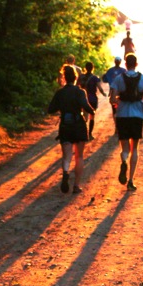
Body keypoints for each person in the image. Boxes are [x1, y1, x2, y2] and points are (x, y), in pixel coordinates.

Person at [109, 52, 143, 192]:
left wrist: (119, 100)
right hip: (137, 116)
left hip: (122, 116)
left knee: (124, 147)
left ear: (125, 64)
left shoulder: (118, 79)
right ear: (136, 64)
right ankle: (131, 181)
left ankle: (123, 160)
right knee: (134, 148)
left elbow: (112, 100)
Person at [48, 65, 94, 194]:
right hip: (78, 125)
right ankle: (76, 186)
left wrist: (61, 107)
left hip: (65, 125)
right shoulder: (80, 92)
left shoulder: (60, 93)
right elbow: (86, 106)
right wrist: (92, 111)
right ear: (75, 78)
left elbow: (50, 109)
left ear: (64, 78)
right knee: (79, 157)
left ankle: (65, 172)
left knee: (66, 155)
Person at [78, 61, 106, 140]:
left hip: (81, 98)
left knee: (83, 116)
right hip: (92, 98)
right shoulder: (95, 78)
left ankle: (82, 133)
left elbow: (76, 86)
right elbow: (99, 88)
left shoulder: (81, 77)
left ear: (85, 68)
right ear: (92, 68)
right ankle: (89, 134)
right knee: (92, 117)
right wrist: (103, 93)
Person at [102, 56, 127, 132]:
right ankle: (119, 126)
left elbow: (104, 79)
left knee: (115, 111)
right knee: (120, 110)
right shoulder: (123, 71)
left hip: (114, 92)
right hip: (121, 93)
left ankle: (117, 127)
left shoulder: (110, 71)